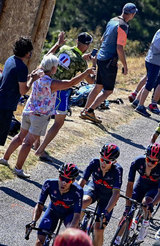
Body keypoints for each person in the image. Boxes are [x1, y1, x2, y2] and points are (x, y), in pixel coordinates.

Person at [2, 55, 94, 179]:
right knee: (28, 142)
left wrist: (57, 46)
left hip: (28, 111)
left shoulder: (37, 73)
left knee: (20, 137)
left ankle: (5, 158)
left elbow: (45, 59)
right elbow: (71, 83)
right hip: (40, 116)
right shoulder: (51, 83)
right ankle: (18, 169)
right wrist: (86, 73)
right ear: (53, 69)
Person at [19, 163, 83, 246]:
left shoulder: (77, 191)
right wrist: (33, 222)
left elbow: (76, 216)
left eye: (68, 180)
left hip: (69, 214)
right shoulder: (49, 184)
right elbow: (40, 206)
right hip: (53, 211)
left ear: (73, 181)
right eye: (61, 177)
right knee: (39, 241)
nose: (63, 182)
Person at [34, 31, 95, 159]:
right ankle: (41, 150)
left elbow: (66, 59)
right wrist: (93, 64)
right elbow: (90, 81)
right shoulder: (81, 63)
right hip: (61, 90)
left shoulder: (64, 48)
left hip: (47, 84)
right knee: (58, 123)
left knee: (43, 114)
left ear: (77, 41)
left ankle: (36, 143)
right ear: (87, 46)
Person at [80, 3, 137, 124]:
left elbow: (102, 39)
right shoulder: (123, 26)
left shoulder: (113, 20)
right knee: (108, 91)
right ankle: (90, 111)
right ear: (132, 14)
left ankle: (85, 111)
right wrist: (125, 66)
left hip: (101, 57)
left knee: (98, 87)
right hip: (109, 61)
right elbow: (119, 48)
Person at [79, 144, 123, 246]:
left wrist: (106, 211)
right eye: (102, 159)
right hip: (95, 189)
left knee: (98, 228)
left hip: (108, 197)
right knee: (82, 202)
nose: (103, 163)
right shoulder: (94, 163)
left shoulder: (117, 170)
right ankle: (77, 227)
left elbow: (116, 195)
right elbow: (82, 182)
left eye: (107, 161)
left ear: (114, 162)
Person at [117, 144, 160, 245]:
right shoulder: (137, 161)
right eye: (148, 160)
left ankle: (145, 225)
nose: (150, 163)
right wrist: (127, 205)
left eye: (154, 161)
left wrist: (152, 204)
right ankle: (117, 239)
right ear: (145, 156)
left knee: (146, 203)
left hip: (154, 188)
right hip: (141, 185)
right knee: (127, 212)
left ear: (159, 161)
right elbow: (130, 184)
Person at [0, 37, 39, 148]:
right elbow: (23, 91)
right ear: (27, 53)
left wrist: (29, 77)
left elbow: (15, 79)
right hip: (6, 106)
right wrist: (33, 79)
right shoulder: (22, 67)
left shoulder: (10, 59)